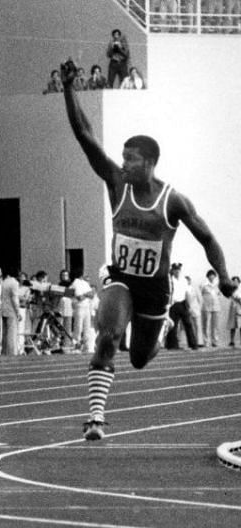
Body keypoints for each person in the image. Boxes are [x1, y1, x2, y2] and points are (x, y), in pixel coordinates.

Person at [61, 59, 236, 441]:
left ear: (150, 163)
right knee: (107, 337)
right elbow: (85, 136)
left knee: (139, 359)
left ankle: (160, 332)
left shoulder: (173, 201)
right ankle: (95, 418)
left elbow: (207, 238)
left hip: (155, 290)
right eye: (122, 157)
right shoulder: (116, 182)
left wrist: (223, 276)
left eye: (131, 159)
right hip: (121, 279)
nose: (123, 164)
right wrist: (69, 88)